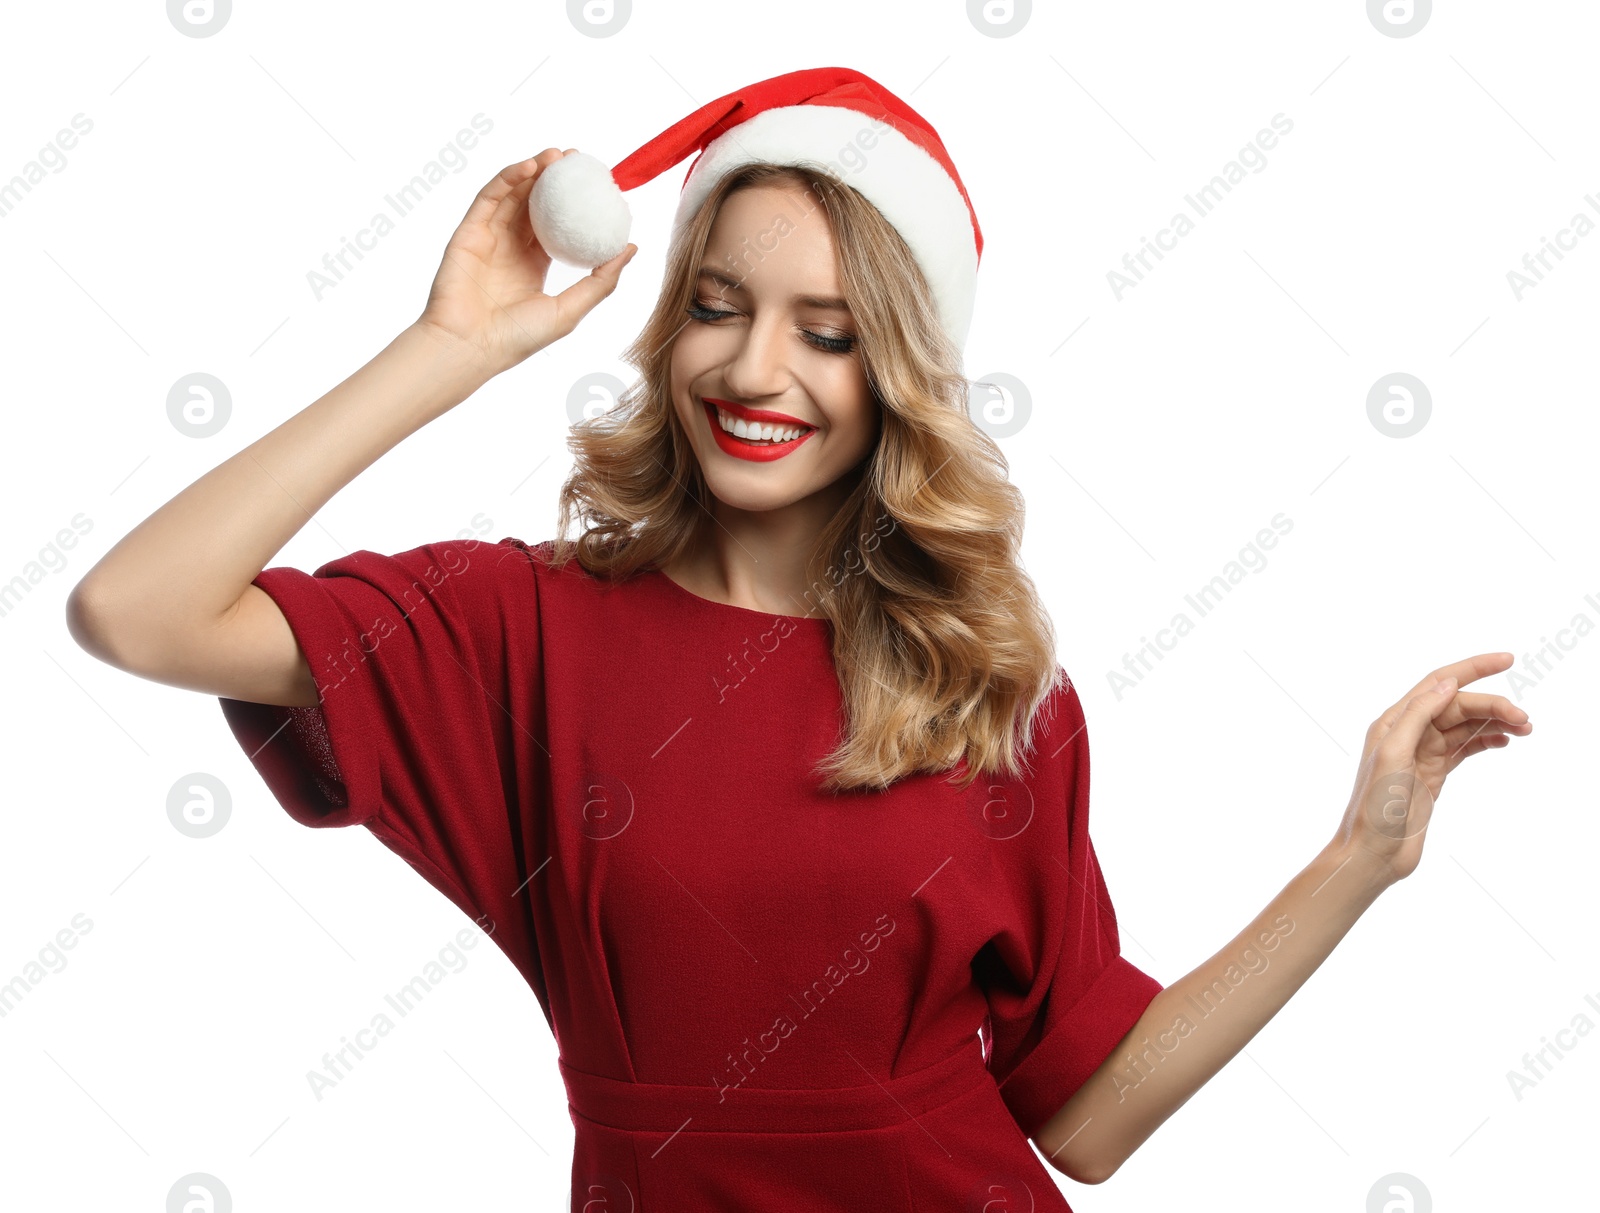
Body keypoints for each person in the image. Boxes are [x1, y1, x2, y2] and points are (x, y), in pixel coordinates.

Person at [65, 67, 1533, 1212]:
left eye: (829, 331)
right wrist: (452, 346)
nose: (755, 367)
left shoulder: (991, 693)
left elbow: (1088, 1118)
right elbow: (137, 608)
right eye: (717, 306)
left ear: (900, 369)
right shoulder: (517, 628)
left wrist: (1363, 853)